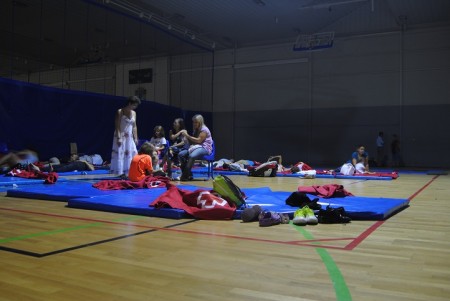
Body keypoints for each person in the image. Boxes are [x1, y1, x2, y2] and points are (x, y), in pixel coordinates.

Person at [110, 96, 140, 177]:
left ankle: (130, 171)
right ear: (129, 103)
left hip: (129, 137)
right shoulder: (120, 111)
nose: (135, 107)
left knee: (132, 153)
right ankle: (121, 173)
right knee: (120, 153)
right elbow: (117, 125)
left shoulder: (134, 113)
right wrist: (119, 137)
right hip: (121, 135)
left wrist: (136, 137)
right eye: (134, 105)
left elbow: (134, 126)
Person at [178, 114, 214, 181]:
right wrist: (186, 138)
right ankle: (189, 174)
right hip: (196, 147)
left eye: (196, 122)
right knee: (181, 155)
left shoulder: (204, 129)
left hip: (205, 148)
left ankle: (184, 176)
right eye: (193, 122)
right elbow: (192, 142)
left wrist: (187, 135)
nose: (194, 124)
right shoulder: (196, 129)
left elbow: (199, 140)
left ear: (200, 122)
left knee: (192, 156)